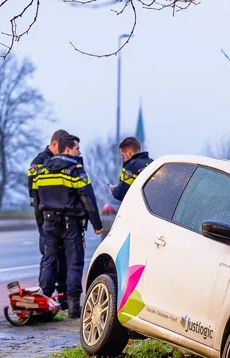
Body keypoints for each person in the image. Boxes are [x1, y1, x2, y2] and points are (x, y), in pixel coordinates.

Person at [33, 134, 103, 318]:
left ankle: (44, 304)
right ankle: (73, 306)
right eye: (77, 148)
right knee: (74, 262)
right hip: (70, 224)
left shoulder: (42, 170)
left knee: (49, 261)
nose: (79, 152)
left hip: (49, 223)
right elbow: (87, 198)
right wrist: (96, 224)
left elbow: (37, 199)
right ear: (68, 149)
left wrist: (41, 225)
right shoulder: (75, 170)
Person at [28, 130, 70, 306]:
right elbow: (34, 192)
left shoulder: (62, 161)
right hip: (46, 218)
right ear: (54, 144)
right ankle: (45, 297)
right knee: (49, 258)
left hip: (60, 219)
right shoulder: (39, 162)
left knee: (62, 258)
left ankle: (61, 299)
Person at [109, 137, 153, 204]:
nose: (124, 160)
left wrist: (114, 190)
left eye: (123, 156)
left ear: (129, 152)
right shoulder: (152, 163)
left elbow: (121, 194)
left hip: (138, 206)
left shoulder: (131, 166)